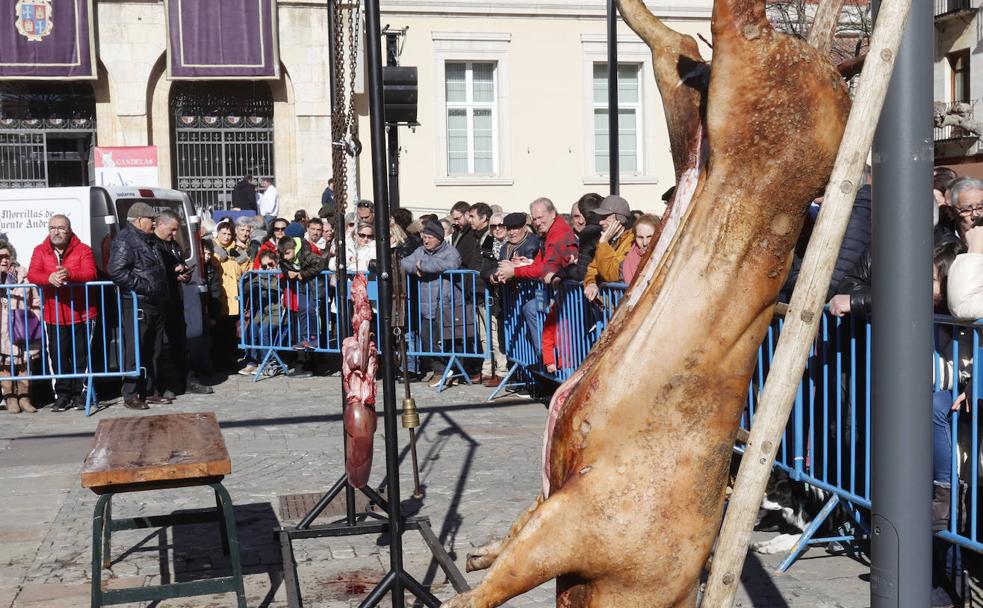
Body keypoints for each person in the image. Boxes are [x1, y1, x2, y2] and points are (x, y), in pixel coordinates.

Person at [27, 214, 98, 412]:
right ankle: (62, 395)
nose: (56, 231)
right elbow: (33, 273)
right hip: (54, 315)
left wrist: (70, 274)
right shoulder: (40, 251)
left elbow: (91, 273)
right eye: (52, 228)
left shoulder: (83, 249)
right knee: (57, 356)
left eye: (60, 228)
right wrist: (48, 277)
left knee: (81, 357)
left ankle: (80, 394)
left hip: (82, 313)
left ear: (69, 229)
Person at [108, 203, 169, 410]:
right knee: (135, 349)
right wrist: (145, 287)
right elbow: (116, 271)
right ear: (139, 220)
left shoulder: (149, 239)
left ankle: (150, 390)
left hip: (155, 303)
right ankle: (131, 393)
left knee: (154, 349)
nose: (154, 222)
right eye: (150, 219)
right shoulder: (125, 240)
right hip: (137, 303)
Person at [496, 198, 576, 355]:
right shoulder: (547, 233)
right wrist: (522, 265)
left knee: (535, 310)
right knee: (531, 308)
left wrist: (515, 271)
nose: (537, 222)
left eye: (541, 217)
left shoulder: (558, 232)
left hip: (566, 292)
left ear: (553, 214)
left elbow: (545, 267)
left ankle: (549, 357)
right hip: (555, 290)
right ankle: (547, 356)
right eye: (535, 218)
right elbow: (540, 262)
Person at [400, 221, 469, 388]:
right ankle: (439, 371)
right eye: (424, 237)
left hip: (448, 303)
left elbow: (452, 264)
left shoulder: (450, 251)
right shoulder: (420, 251)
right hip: (427, 305)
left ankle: (455, 371)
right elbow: (404, 263)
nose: (426, 241)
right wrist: (416, 268)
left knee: (453, 339)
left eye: (430, 237)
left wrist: (424, 266)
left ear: (439, 238)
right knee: (428, 338)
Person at [153, 210, 212, 398]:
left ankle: (188, 381)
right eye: (171, 229)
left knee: (180, 344)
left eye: (176, 230)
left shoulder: (174, 245)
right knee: (160, 348)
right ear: (160, 224)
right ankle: (163, 385)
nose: (173, 234)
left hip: (176, 300)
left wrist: (183, 275)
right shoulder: (153, 245)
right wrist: (172, 272)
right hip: (159, 302)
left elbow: (178, 266)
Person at [0, 241, 39, 413]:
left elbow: (36, 300)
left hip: (22, 326)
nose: (4, 261)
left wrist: (36, 317)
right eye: (0, 257)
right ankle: (10, 398)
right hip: (1, 329)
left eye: (6, 257)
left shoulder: (22, 275)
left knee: (25, 363)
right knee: (4, 364)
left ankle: (24, 397)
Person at [211, 218, 251, 373]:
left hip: (234, 296)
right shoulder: (213, 247)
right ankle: (219, 362)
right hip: (219, 296)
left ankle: (229, 361)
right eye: (224, 233)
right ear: (218, 234)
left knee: (230, 332)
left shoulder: (237, 250)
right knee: (218, 332)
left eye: (229, 234)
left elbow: (247, 266)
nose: (226, 237)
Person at [583, 195, 634, 302]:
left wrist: (603, 242)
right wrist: (591, 283)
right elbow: (592, 269)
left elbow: (612, 274)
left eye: (605, 217)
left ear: (620, 219)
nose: (601, 222)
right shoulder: (606, 241)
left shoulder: (630, 241)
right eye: (600, 218)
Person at [621, 214, 659, 286]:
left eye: (649, 237)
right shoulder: (627, 258)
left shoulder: (665, 256)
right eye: (640, 237)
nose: (645, 243)